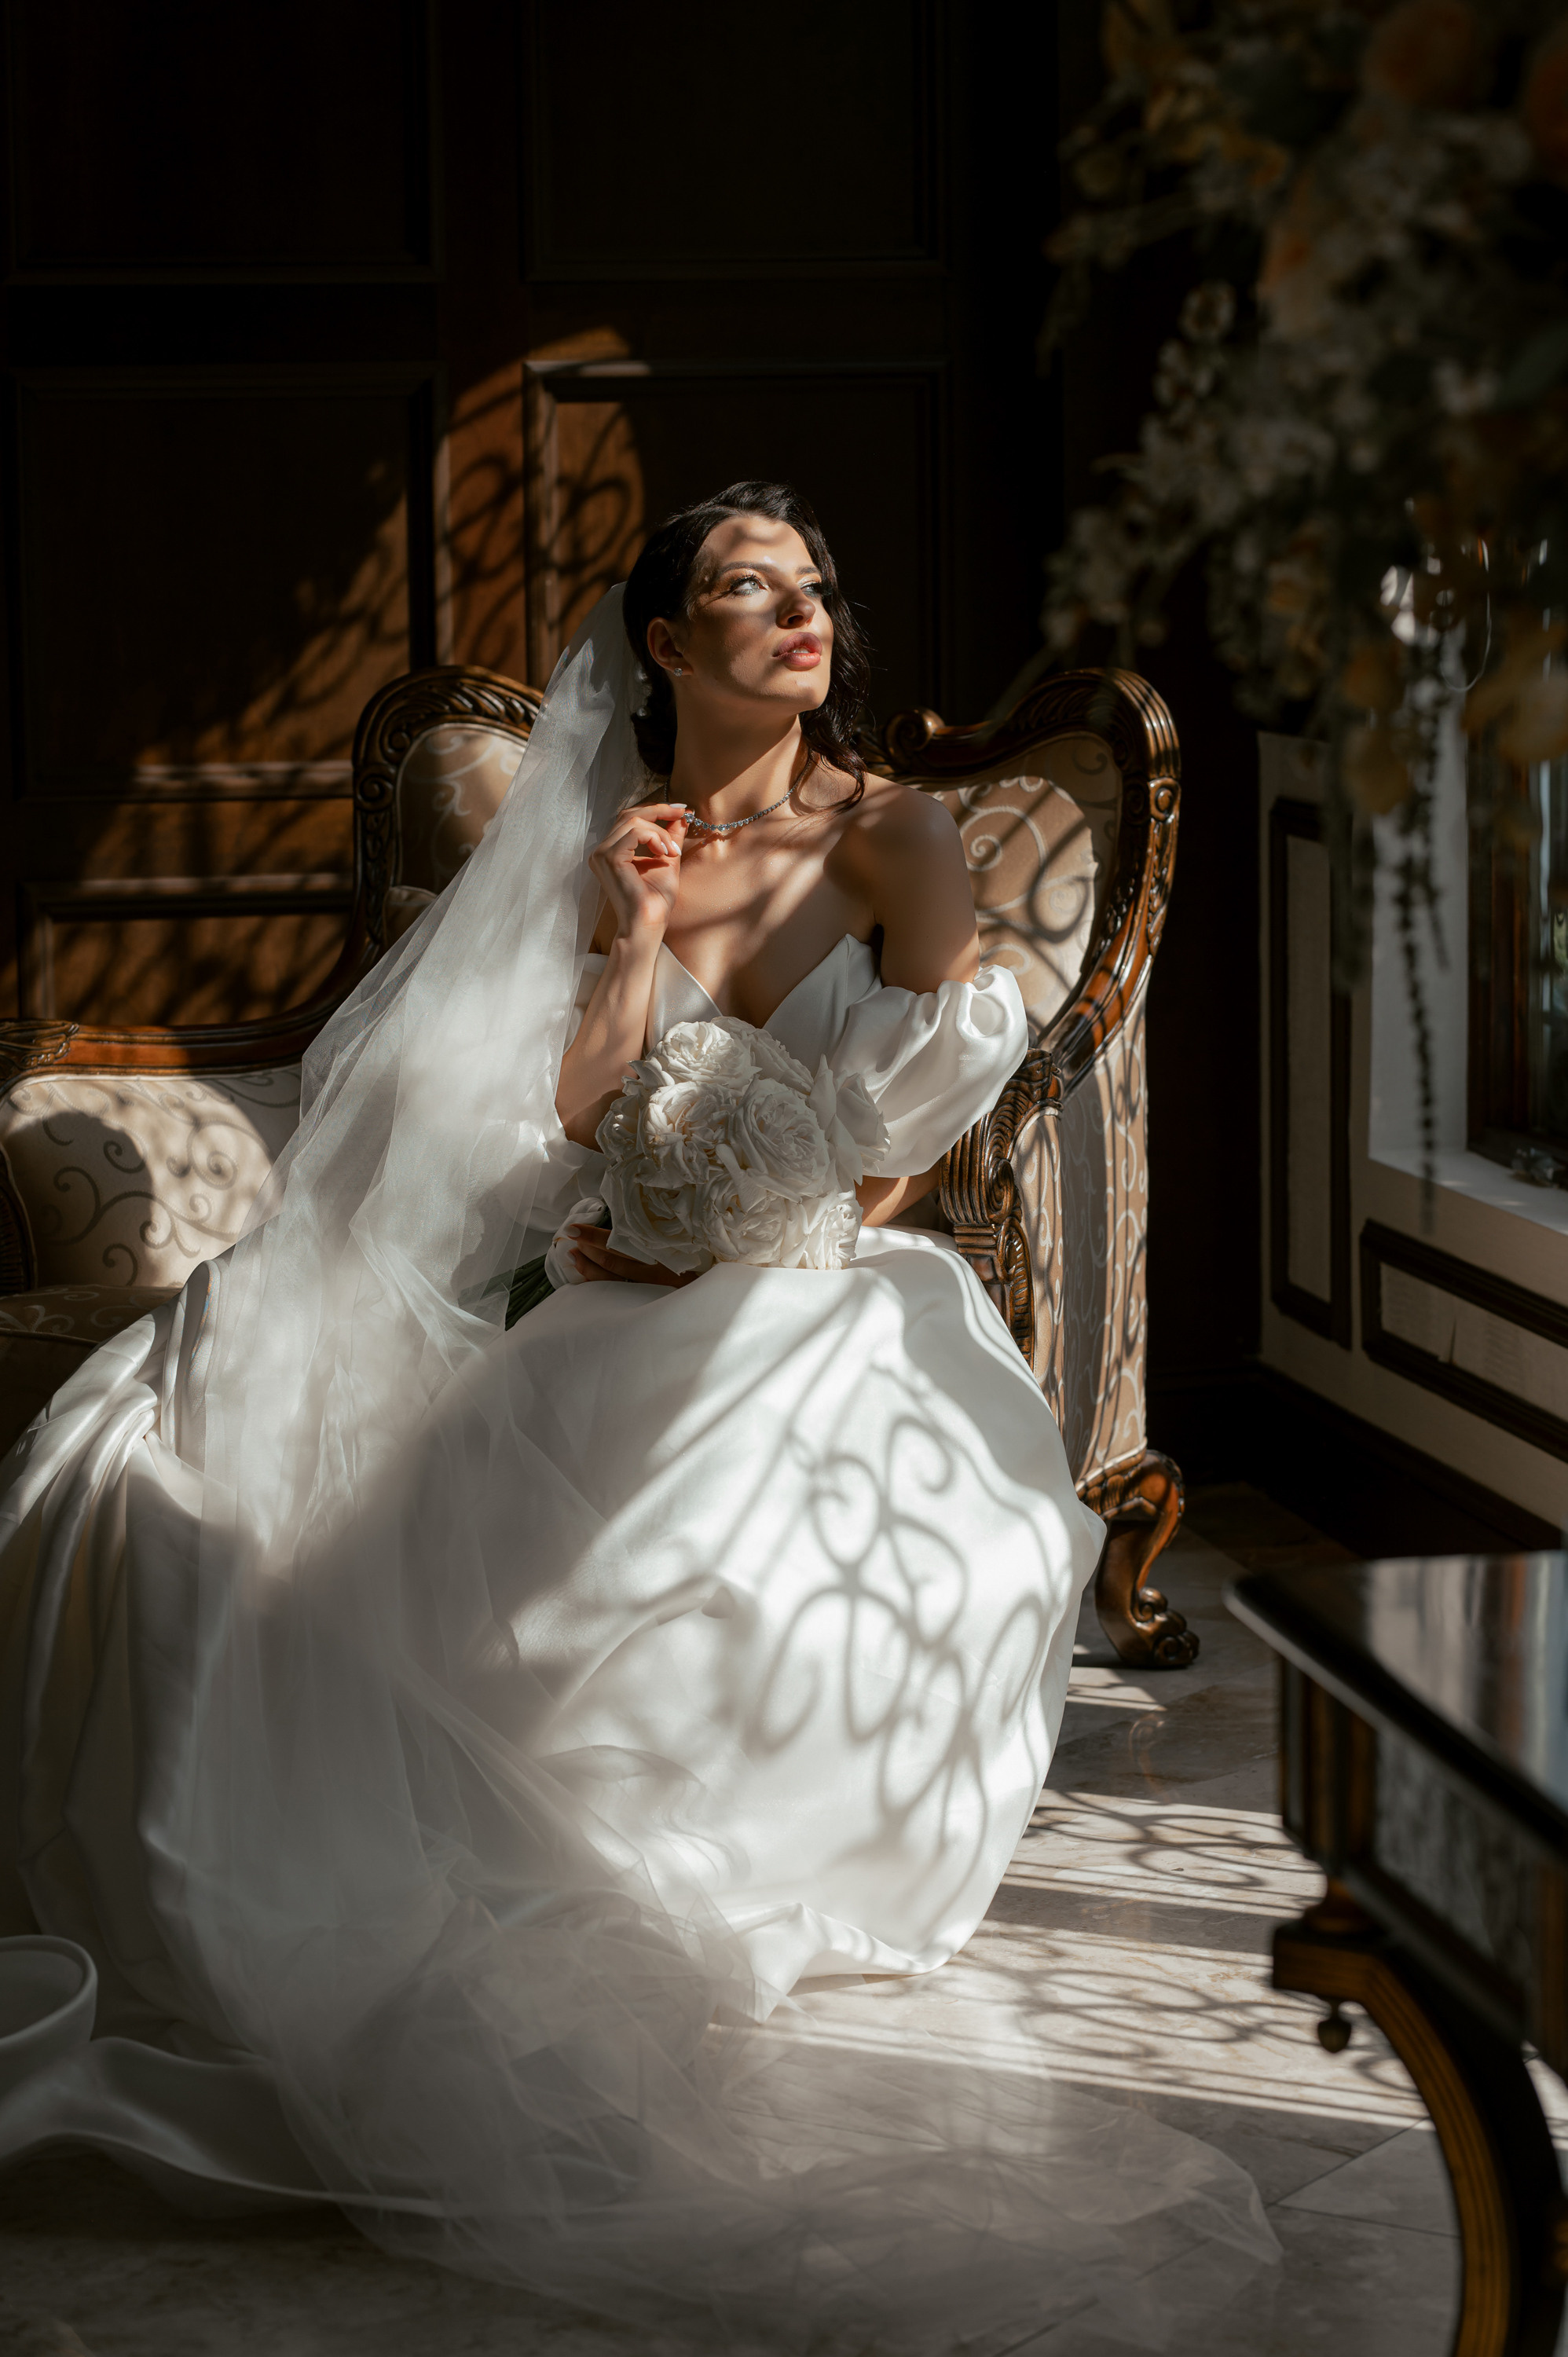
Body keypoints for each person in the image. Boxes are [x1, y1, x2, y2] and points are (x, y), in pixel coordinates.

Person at [0, 483, 1273, 2351]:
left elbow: (904, 1141)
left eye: (814, 587)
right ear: (666, 644)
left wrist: (746, 1235)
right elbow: (589, 1109)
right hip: (613, 1281)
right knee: (276, 1505)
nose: (802, 615)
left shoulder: (896, 834)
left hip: (819, 1300)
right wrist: (627, 928)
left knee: (680, 1539)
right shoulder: (611, 843)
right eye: (752, 591)